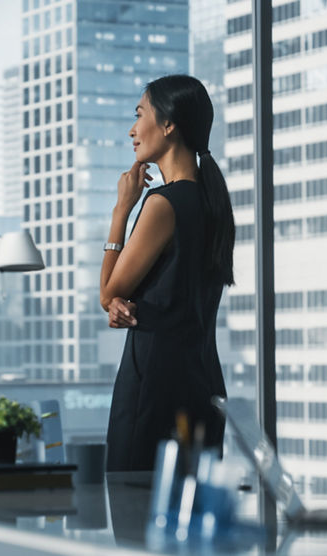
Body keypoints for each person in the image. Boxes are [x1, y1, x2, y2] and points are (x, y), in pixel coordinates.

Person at [100, 74, 235, 471]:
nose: (132, 129)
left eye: (140, 113)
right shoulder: (213, 204)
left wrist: (121, 210)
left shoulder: (163, 204)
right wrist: (117, 301)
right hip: (203, 384)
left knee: (133, 514)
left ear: (169, 123)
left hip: (154, 388)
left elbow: (108, 291)